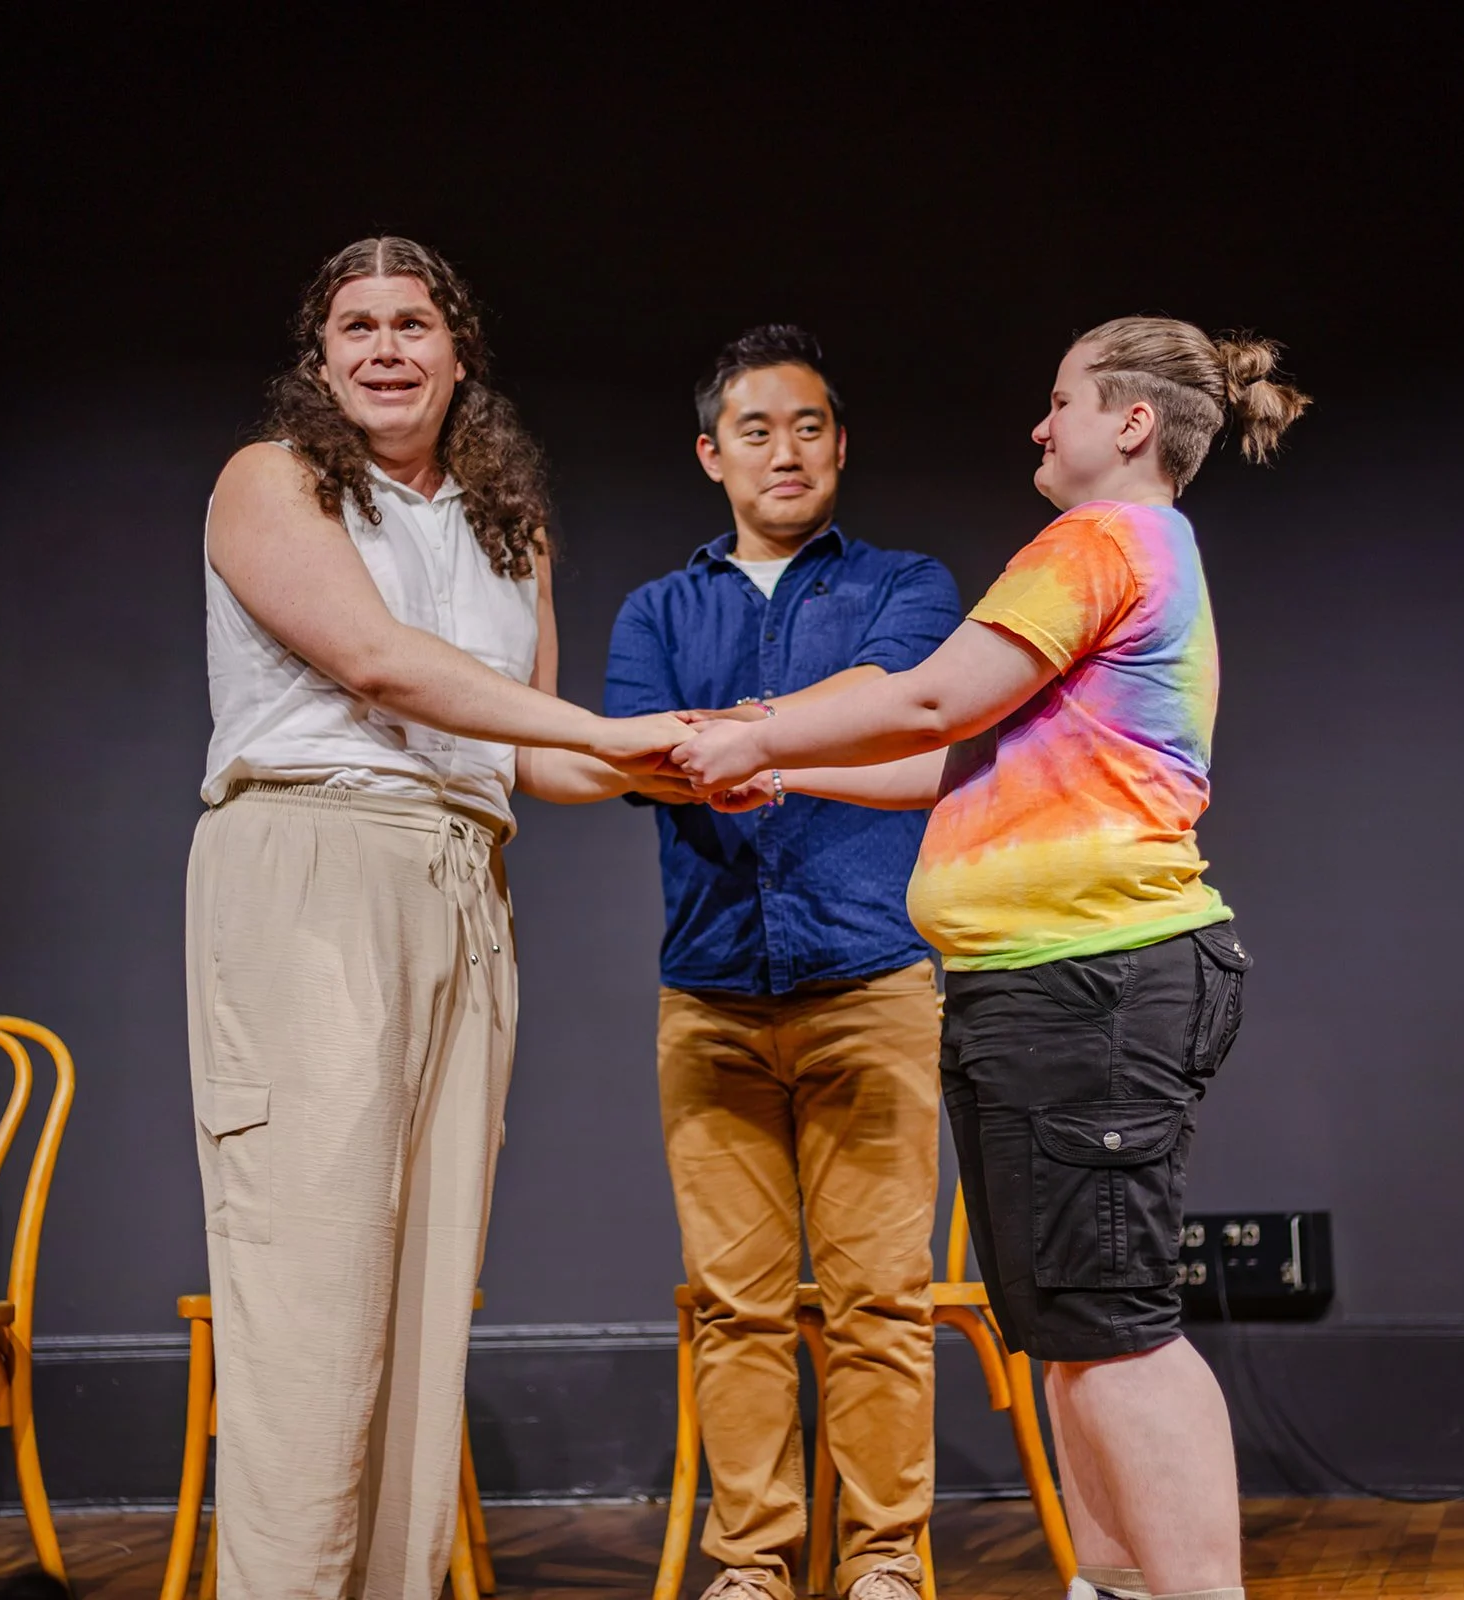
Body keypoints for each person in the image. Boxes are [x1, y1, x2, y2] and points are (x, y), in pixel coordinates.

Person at [672, 316, 1309, 1600]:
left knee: (1114, 1328)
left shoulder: (1099, 541)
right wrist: (783, 759)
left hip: (1095, 978)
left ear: (1128, 422)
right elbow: (951, 754)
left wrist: (752, 728)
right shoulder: (1130, 552)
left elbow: (928, 697)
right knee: (1067, 1327)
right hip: (1039, 983)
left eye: (1060, 399)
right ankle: (1118, 1583)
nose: (1038, 423)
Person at [188, 236, 688, 1600]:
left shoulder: (504, 523)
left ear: (460, 353)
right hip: (317, 858)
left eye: (414, 322)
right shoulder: (271, 481)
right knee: (314, 1286)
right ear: (322, 355)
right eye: (356, 325)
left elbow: (539, 756)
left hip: (467, 875)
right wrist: (615, 728)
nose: (386, 347)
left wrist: (699, 759)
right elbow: (376, 662)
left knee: (421, 1293)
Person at [604, 326, 962, 1600]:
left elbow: (908, 708)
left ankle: (882, 1566)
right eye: (756, 429)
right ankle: (751, 1565)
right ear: (712, 454)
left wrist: (736, 732)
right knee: (734, 1304)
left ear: (840, 444)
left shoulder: (905, 586)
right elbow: (633, 755)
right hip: (707, 997)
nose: (786, 449)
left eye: (809, 425)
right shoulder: (658, 607)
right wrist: (808, 720)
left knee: (880, 1304)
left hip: (869, 981)